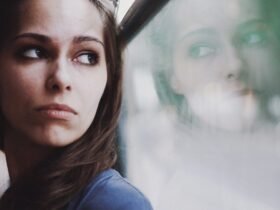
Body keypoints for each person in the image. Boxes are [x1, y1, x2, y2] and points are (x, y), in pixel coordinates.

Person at [0, 0, 153, 210]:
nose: (61, 79)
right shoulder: (17, 195)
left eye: (87, 57)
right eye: (34, 52)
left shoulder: (114, 203)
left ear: (109, 79)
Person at [151, 0, 280, 132]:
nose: (234, 66)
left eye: (253, 37)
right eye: (201, 50)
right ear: (171, 74)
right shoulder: (158, 148)